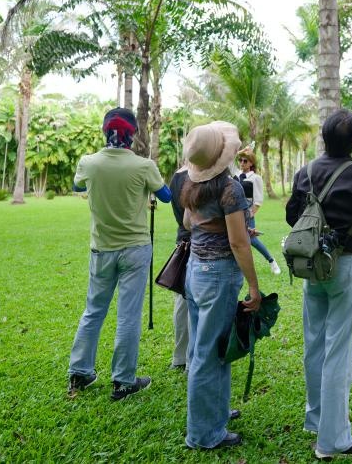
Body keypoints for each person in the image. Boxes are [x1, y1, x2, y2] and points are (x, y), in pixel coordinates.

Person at [285, 109, 352, 461]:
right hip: (344, 264)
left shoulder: (306, 171)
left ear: (323, 138)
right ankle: (333, 440)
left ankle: (315, 419)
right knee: (338, 349)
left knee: (314, 342)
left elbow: (291, 215)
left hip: (311, 263)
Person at [67, 108, 171, 401]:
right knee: (128, 315)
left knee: (93, 310)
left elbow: (77, 185)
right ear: (133, 134)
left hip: (101, 249)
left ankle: (79, 372)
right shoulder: (144, 165)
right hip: (136, 249)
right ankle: (123, 380)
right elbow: (166, 196)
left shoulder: (89, 162)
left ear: (105, 131)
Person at [181, 121, 261, 450]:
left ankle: (217, 413)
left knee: (216, 349)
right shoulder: (230, 188)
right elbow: (239, 244)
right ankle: (203, 434)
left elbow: (190, 223)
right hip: (218, 275)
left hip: (195, 271)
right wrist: (254, 289)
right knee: (207, 354)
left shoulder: (192, 184)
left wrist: (231, 226)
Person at [236, 148, 281, 275]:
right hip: (234, 211)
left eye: (245, 161)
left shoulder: (256, 178)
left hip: (248, 210)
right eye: (240, 160)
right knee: (234, 238)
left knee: (252, 240)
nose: (242, 163)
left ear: (251, 163)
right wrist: (242, 151)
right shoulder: (235, 175)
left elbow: (258, 201)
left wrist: (250, 214)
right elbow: (228, 159)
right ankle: (238, 266)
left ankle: (272, 261)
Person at [167, 160, 192, 371]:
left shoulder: (176, 176)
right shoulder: (196, 175)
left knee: (182, 302)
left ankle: (180, 356)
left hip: (182, 241)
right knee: (193, 302)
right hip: (198, 243)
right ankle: (191, 358)